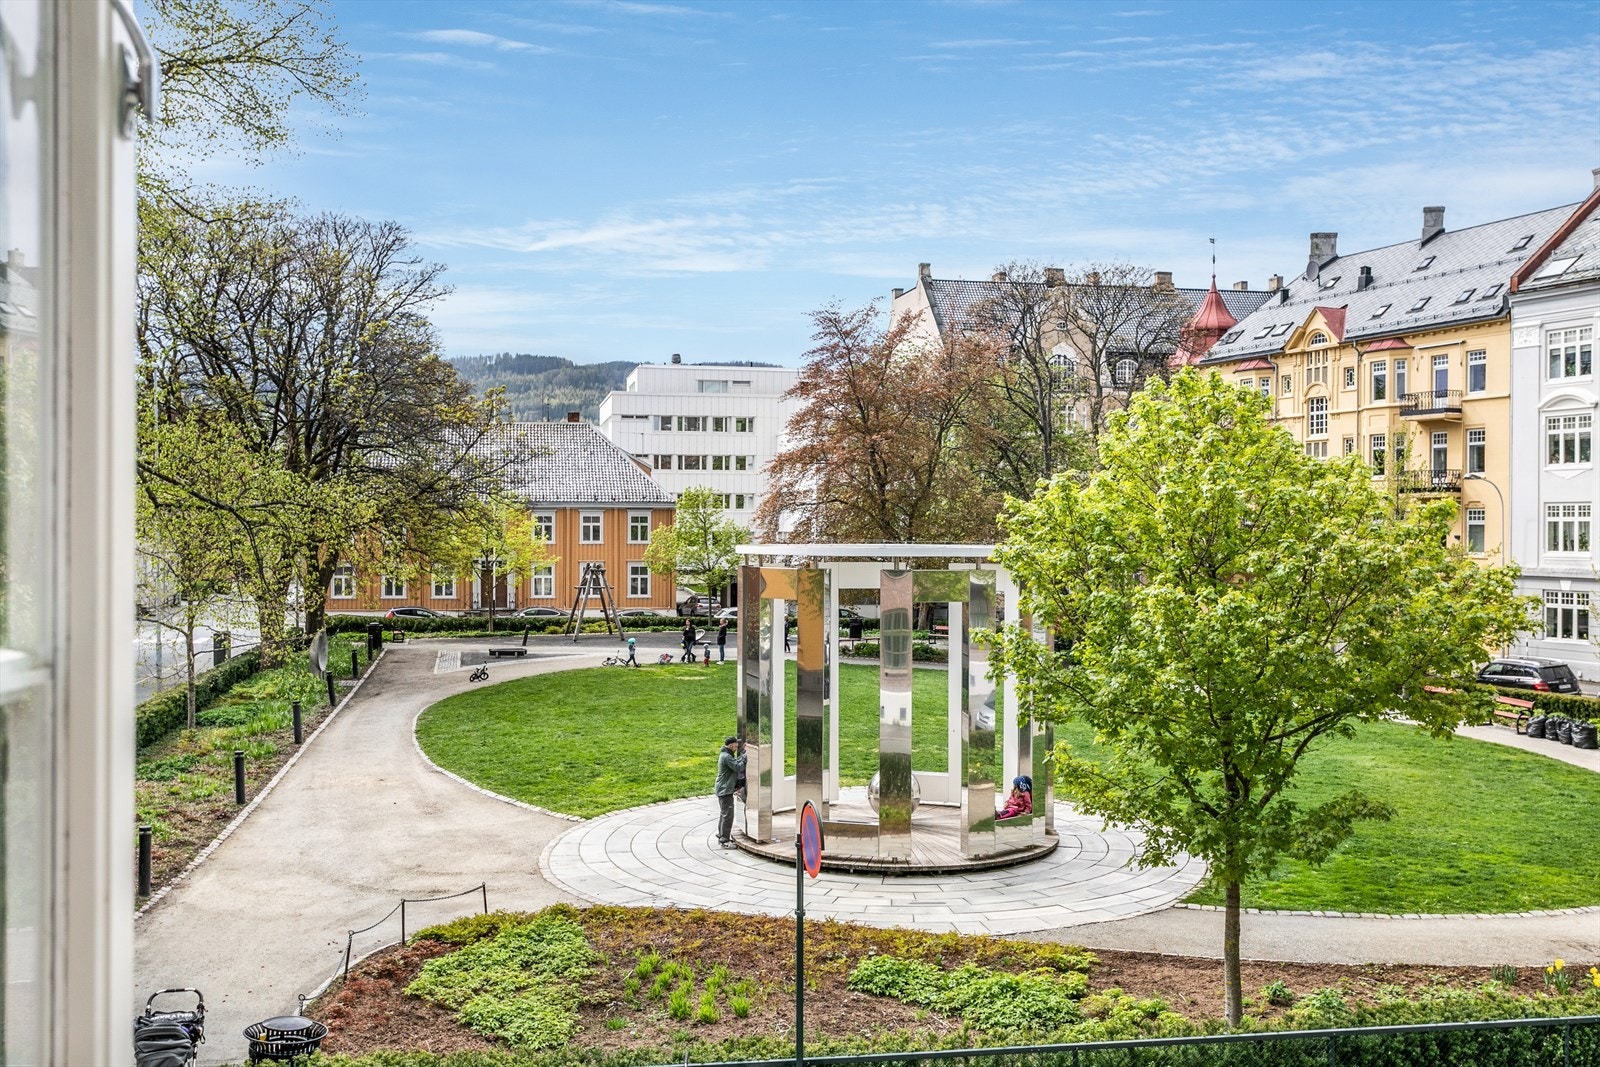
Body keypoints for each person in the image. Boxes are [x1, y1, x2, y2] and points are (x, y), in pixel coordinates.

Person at [714, 735, 747, 848]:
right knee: (728, 815)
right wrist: (745, 756)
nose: (736, 748)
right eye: (736, 746)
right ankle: (725, 840)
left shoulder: (726, 755)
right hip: (725, 790)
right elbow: (738, 767)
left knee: (724, 814)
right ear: (731, 745)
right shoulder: (727, 756)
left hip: (722, 789)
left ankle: (721, 835)